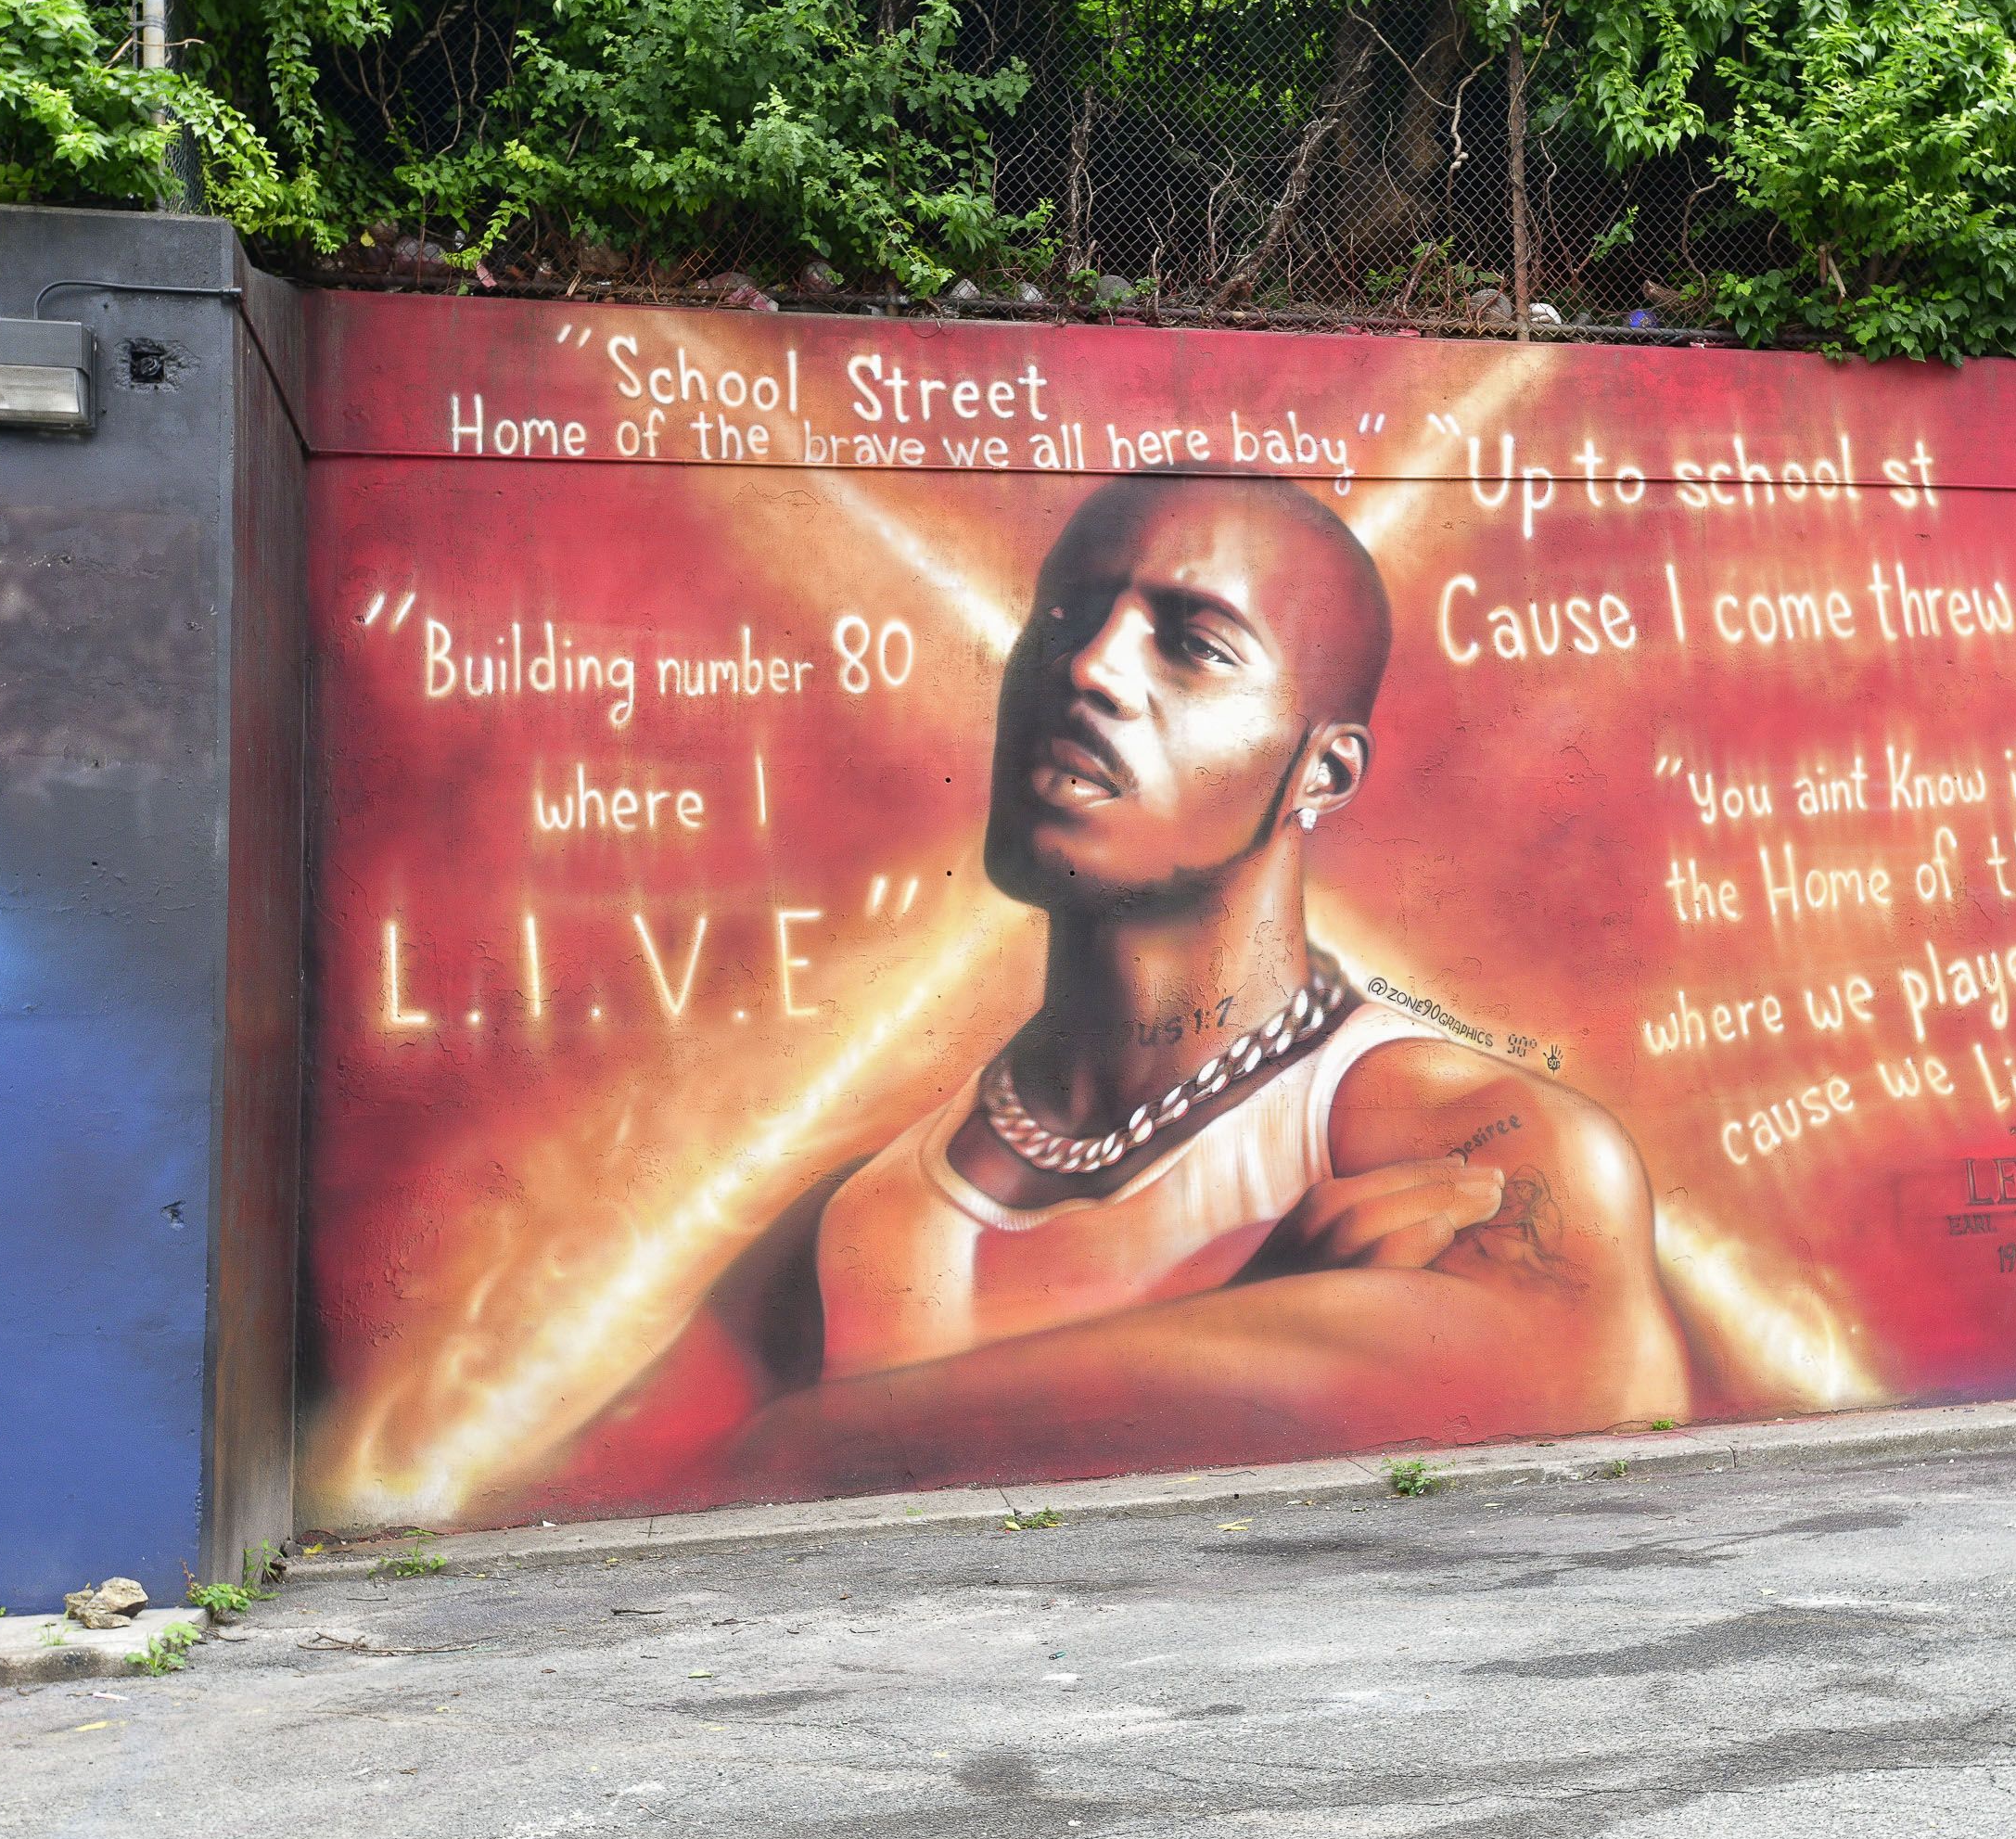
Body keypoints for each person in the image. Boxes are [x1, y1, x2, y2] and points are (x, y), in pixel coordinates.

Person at [527, 472, 1689, 1510]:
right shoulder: (863, 1221)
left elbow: (1568, 1392)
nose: (1088, 669)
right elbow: (585, 1511)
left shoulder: (1465, 1137)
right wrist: (1245, 1336)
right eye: (1069, 616)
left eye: (1193, 643)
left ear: (1320, 770)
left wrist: (795, 1445)